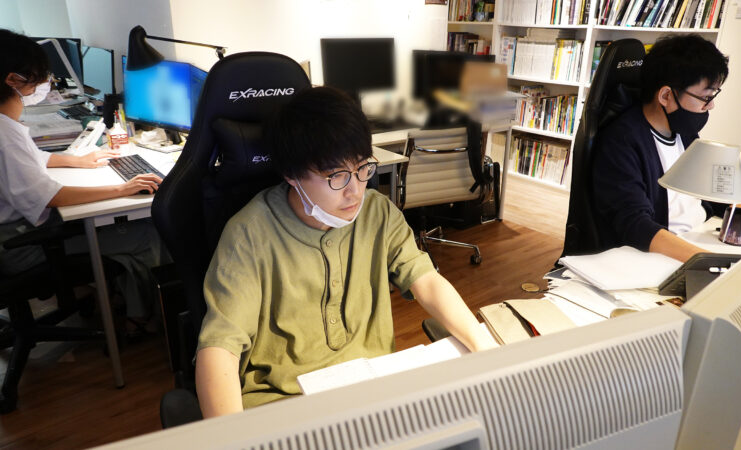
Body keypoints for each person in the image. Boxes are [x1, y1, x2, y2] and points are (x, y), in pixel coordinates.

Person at [195, 86, 498, 417]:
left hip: (373, 394)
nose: (355, 191)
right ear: (292, 175)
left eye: (362, 168)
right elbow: (220, 348)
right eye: (336, 175)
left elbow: (425, 280)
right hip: (286, 405)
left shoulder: (378, 213)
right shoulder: (248, 235)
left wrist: (485, 349)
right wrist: (232, 434)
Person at [0, 29, 165, 326]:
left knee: (121, 226)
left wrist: (75, 160)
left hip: (12, 237)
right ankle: (144, 322)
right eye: (39, 77)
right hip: (23, 247)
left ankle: (126, 305)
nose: (44, 84)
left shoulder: (5, 127)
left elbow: (30, 160)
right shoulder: (4, 134)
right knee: (147, 233)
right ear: (12, 80)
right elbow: (51, 197)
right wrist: (122, 189)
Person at [591, 34, 741, 263]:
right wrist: (712, 263)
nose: (711, 105)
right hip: (663, 255)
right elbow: (636, 226)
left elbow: (716, 192)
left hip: (700, 238)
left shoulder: (684, 132)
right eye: (706, 97)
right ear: (666, 95)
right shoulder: (622, 142)